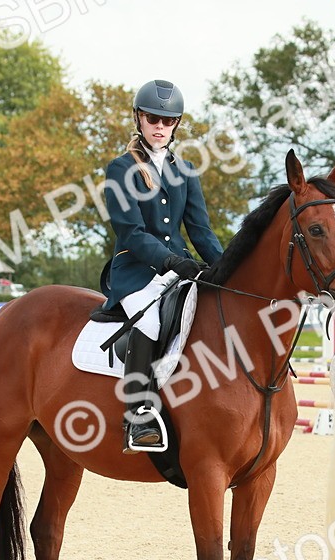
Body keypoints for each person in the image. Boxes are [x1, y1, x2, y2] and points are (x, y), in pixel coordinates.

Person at [101, 79, 224, 453]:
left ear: (176, 124)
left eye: (168, 121)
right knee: (150, 321)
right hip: (136, 271)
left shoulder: (184, 170)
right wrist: (169, 261)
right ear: (138, 119)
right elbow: (131, 231)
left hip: (180, 268)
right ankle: (137, 417)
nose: (160, 126)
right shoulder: (121, 168)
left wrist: (226, 268)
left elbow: (200, 230)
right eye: (153, 118)